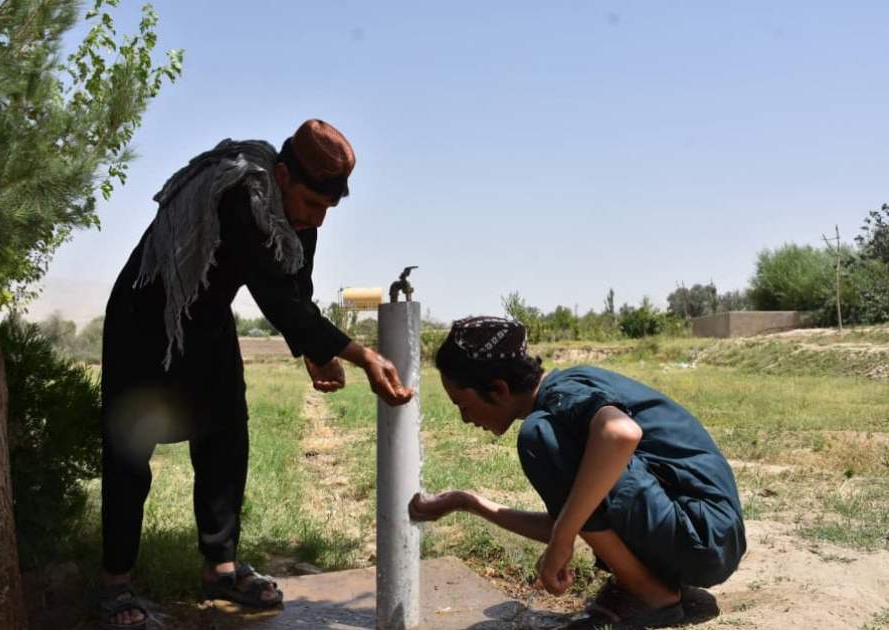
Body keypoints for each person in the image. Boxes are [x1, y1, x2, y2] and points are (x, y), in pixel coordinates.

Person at [97, 120, 412, 629]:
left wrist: (315, 351)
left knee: (225, 434)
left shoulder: (296, 216)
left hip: (207, 321)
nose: (318, 221)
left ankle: (221, 568)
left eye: (328, 211)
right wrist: (359, 354)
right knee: (130, 450)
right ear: (284, 175)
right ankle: (115, 583)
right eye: (313, 206)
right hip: (148, 314)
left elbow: (294, 283)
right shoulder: (242, 193)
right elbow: (274, 295)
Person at [410, 316, 745, 629]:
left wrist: (563, 537)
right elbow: (577, 521)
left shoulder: (560, 400)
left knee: (538, 435)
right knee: (564, 470)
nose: (465, 419)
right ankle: (646, 584)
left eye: (463, 405)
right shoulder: (566, 392)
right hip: (704, 536)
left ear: (499, 389)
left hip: (701, 534)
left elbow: (620, 433)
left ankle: (650, 594)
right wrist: (469, 503)